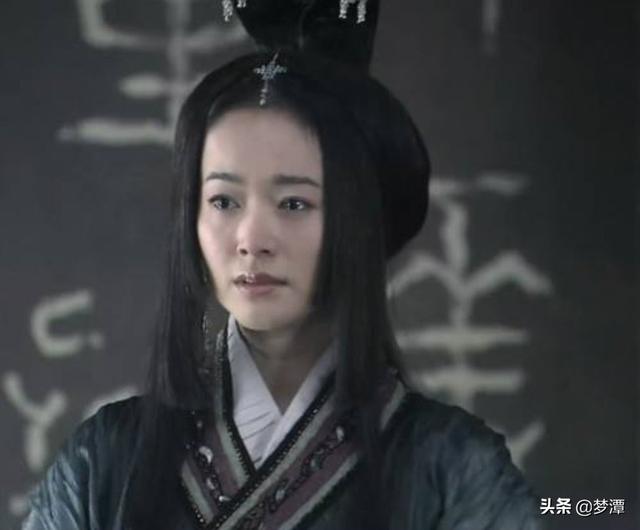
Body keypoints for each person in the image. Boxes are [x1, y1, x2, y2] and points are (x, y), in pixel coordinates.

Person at [22, 1, 542, 529]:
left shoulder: (454, 470)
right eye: (224, 201)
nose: (251, 240)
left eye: (294, 203)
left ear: (358, 223)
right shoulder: (102, 462)